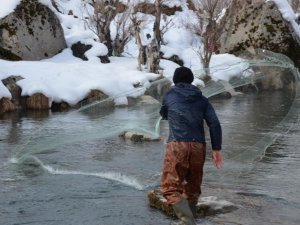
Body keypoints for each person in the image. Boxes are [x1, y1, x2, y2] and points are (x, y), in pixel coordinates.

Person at [160, 66, 224, 225]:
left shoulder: (169, 95)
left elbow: (163, 113)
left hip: (177, 144)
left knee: (170, 188)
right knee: (193, 188)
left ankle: (187, 221)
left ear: (175, 81)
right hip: (198, 147)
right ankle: (189, 220)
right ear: (191, 80)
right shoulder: (202, 99)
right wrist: (216, 149)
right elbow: (214, 124)